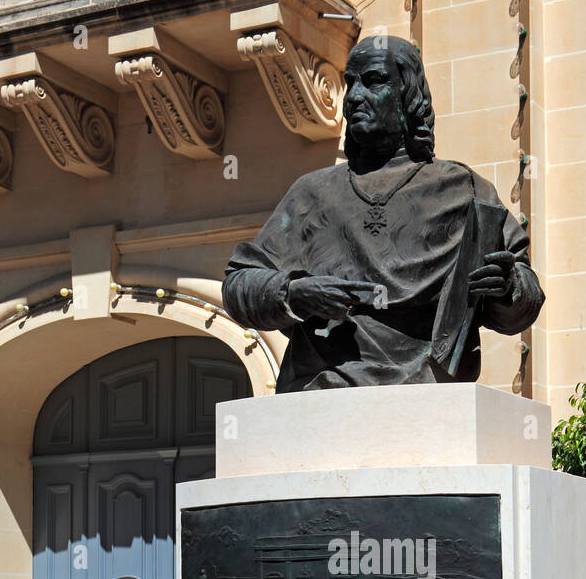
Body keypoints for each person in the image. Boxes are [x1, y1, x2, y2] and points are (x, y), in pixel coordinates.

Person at [222, 35, 544, 392]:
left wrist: (506, 288)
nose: (355, 97)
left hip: (428, 392)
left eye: (374, 82)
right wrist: (294, 292)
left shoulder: (464, 190)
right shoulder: (312, 193)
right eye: (350, 83)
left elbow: (525, 299)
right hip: (323, 391)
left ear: (408, 94)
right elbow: (239, 284)